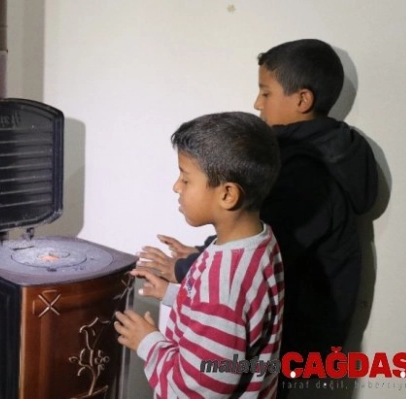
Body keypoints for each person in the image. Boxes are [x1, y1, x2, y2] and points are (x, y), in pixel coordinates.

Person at [138, 39, 378, 397]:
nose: (257, 103)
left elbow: (206, 382)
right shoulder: (319, 152)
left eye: (265, 92)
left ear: (302, 100)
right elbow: (246, 240)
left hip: (299, 345)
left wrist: (188, 270)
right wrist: (193, 271)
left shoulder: (310, 174)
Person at [114, 112, 284, 398]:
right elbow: (230, 320)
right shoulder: (259, 242)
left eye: (186, 178)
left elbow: (197, 390)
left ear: (228, 195)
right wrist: (174, 294)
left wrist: (148, 342)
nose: (176, 187)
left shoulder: (222, 283)